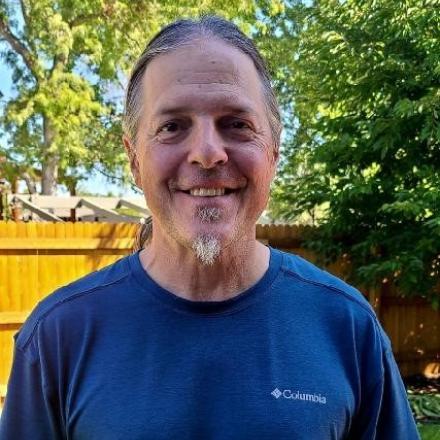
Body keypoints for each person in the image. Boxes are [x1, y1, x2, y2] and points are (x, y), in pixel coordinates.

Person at [0, 16, 419, 440]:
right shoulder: (58, 336)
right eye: (172, 127)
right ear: (133, 158)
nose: (206, 153)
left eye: (236, 124)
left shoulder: (347, 326)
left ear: (273, 152)